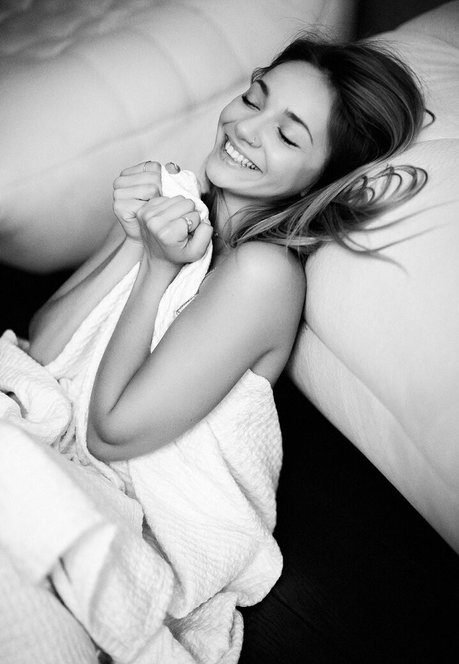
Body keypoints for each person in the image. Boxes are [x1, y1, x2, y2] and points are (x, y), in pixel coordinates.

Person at [6, 33, 429, 662]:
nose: (246, 128)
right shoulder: (178, 209)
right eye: (254, 98)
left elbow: (112, 433)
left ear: (324, 177)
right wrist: (133, 238)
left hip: (134, 519)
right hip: (49, 447)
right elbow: (43, 353)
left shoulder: (263, 274)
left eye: (288, 135)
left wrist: (154, 270)